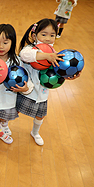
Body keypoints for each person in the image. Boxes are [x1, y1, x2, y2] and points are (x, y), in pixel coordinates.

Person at [18, 18, 79, 146]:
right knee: (15, 109)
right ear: (35, 36)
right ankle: (4, 124)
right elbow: (25, 55)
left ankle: (35, 132)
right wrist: (46, 56)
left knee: (40, 115)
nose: (48, 38)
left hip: (42, 92)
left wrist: (69, 76)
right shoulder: (30, 48)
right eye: (43, 34)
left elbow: (60, 71)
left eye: (52, 35)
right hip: (26, 89)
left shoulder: (55, 53)